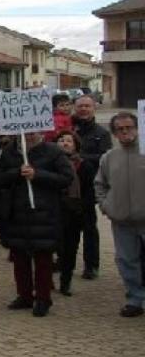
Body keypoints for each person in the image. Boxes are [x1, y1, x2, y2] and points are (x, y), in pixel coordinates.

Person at [0, 131, 73, 317]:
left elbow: (66, 178)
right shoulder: (9, 152)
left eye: (33, 133)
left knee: (43, 260)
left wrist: (38, 175)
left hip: (44, 213)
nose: (29, 136)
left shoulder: (53, 152)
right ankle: (24, 295)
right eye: (25, 133)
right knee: (19, 258)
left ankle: (43, 298)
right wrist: (17, 173)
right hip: (17, 212)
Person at [94, 112, 145, 318]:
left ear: (137, 128)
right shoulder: (109, 157)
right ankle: (135, 299)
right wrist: (106, 206)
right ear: (114, 133)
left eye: (129, 127)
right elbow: (100, 184)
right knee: (127, 260)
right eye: (120, 129)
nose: (125, 132)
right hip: (122, 220)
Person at [72, 95, 111, 280]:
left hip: (88, 186)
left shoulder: (101, 133)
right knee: (66, 226)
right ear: (75, 108)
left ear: (93, 108)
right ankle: (63, 260)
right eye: (80, 106)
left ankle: (91, 265)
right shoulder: (68, 129)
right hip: (67, 185)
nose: (84, 109)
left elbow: (105, 158)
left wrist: (82, 157)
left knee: (89, 227)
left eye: (87, 106)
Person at [55, 130, 96, 297]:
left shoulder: (84, 165)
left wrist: (81, 208)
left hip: (74, 213)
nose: (65, 143)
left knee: (70, 249)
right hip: (55, 212)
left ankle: (66, 282)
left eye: (69, 141)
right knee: (55, 248)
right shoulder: (50, 163)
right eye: (61, 140)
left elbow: (89, 191)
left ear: (76, 145)